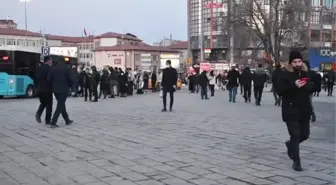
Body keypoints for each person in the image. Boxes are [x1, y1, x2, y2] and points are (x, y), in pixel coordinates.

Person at [276, 51, 313, 171]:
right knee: (295, 135)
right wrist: (294, 85)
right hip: (290, 109)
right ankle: (297, 161)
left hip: (304, 109)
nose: (297, 64)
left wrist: (308, 85)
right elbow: (280, 90)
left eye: (299, 61)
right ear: (290, 63)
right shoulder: (284, 74)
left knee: (305, 135)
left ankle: (290, 144)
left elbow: (313, 87)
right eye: (295, 62)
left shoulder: (306, 73)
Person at [47, 60, 73, 128]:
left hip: (55, 90)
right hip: (64, 89)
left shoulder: (52, 68)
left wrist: (53, 85)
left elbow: (49, 79)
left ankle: (67, 120)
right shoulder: (67, 68)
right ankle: (53, 122)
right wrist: (69, 86)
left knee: (61, 104)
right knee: (60, 105)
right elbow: (71, 79)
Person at [35, 56, 53, 125]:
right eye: (51, 60)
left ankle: (38, 113)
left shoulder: (38, 68)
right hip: (48, 89)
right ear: (48, 61)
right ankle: (47, 120)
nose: (51, 62)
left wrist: (36, 87)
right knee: (49, 105)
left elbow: (35, 79)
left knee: (43, 103)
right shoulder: (50, 69)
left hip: (40, 89)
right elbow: (50, 79)